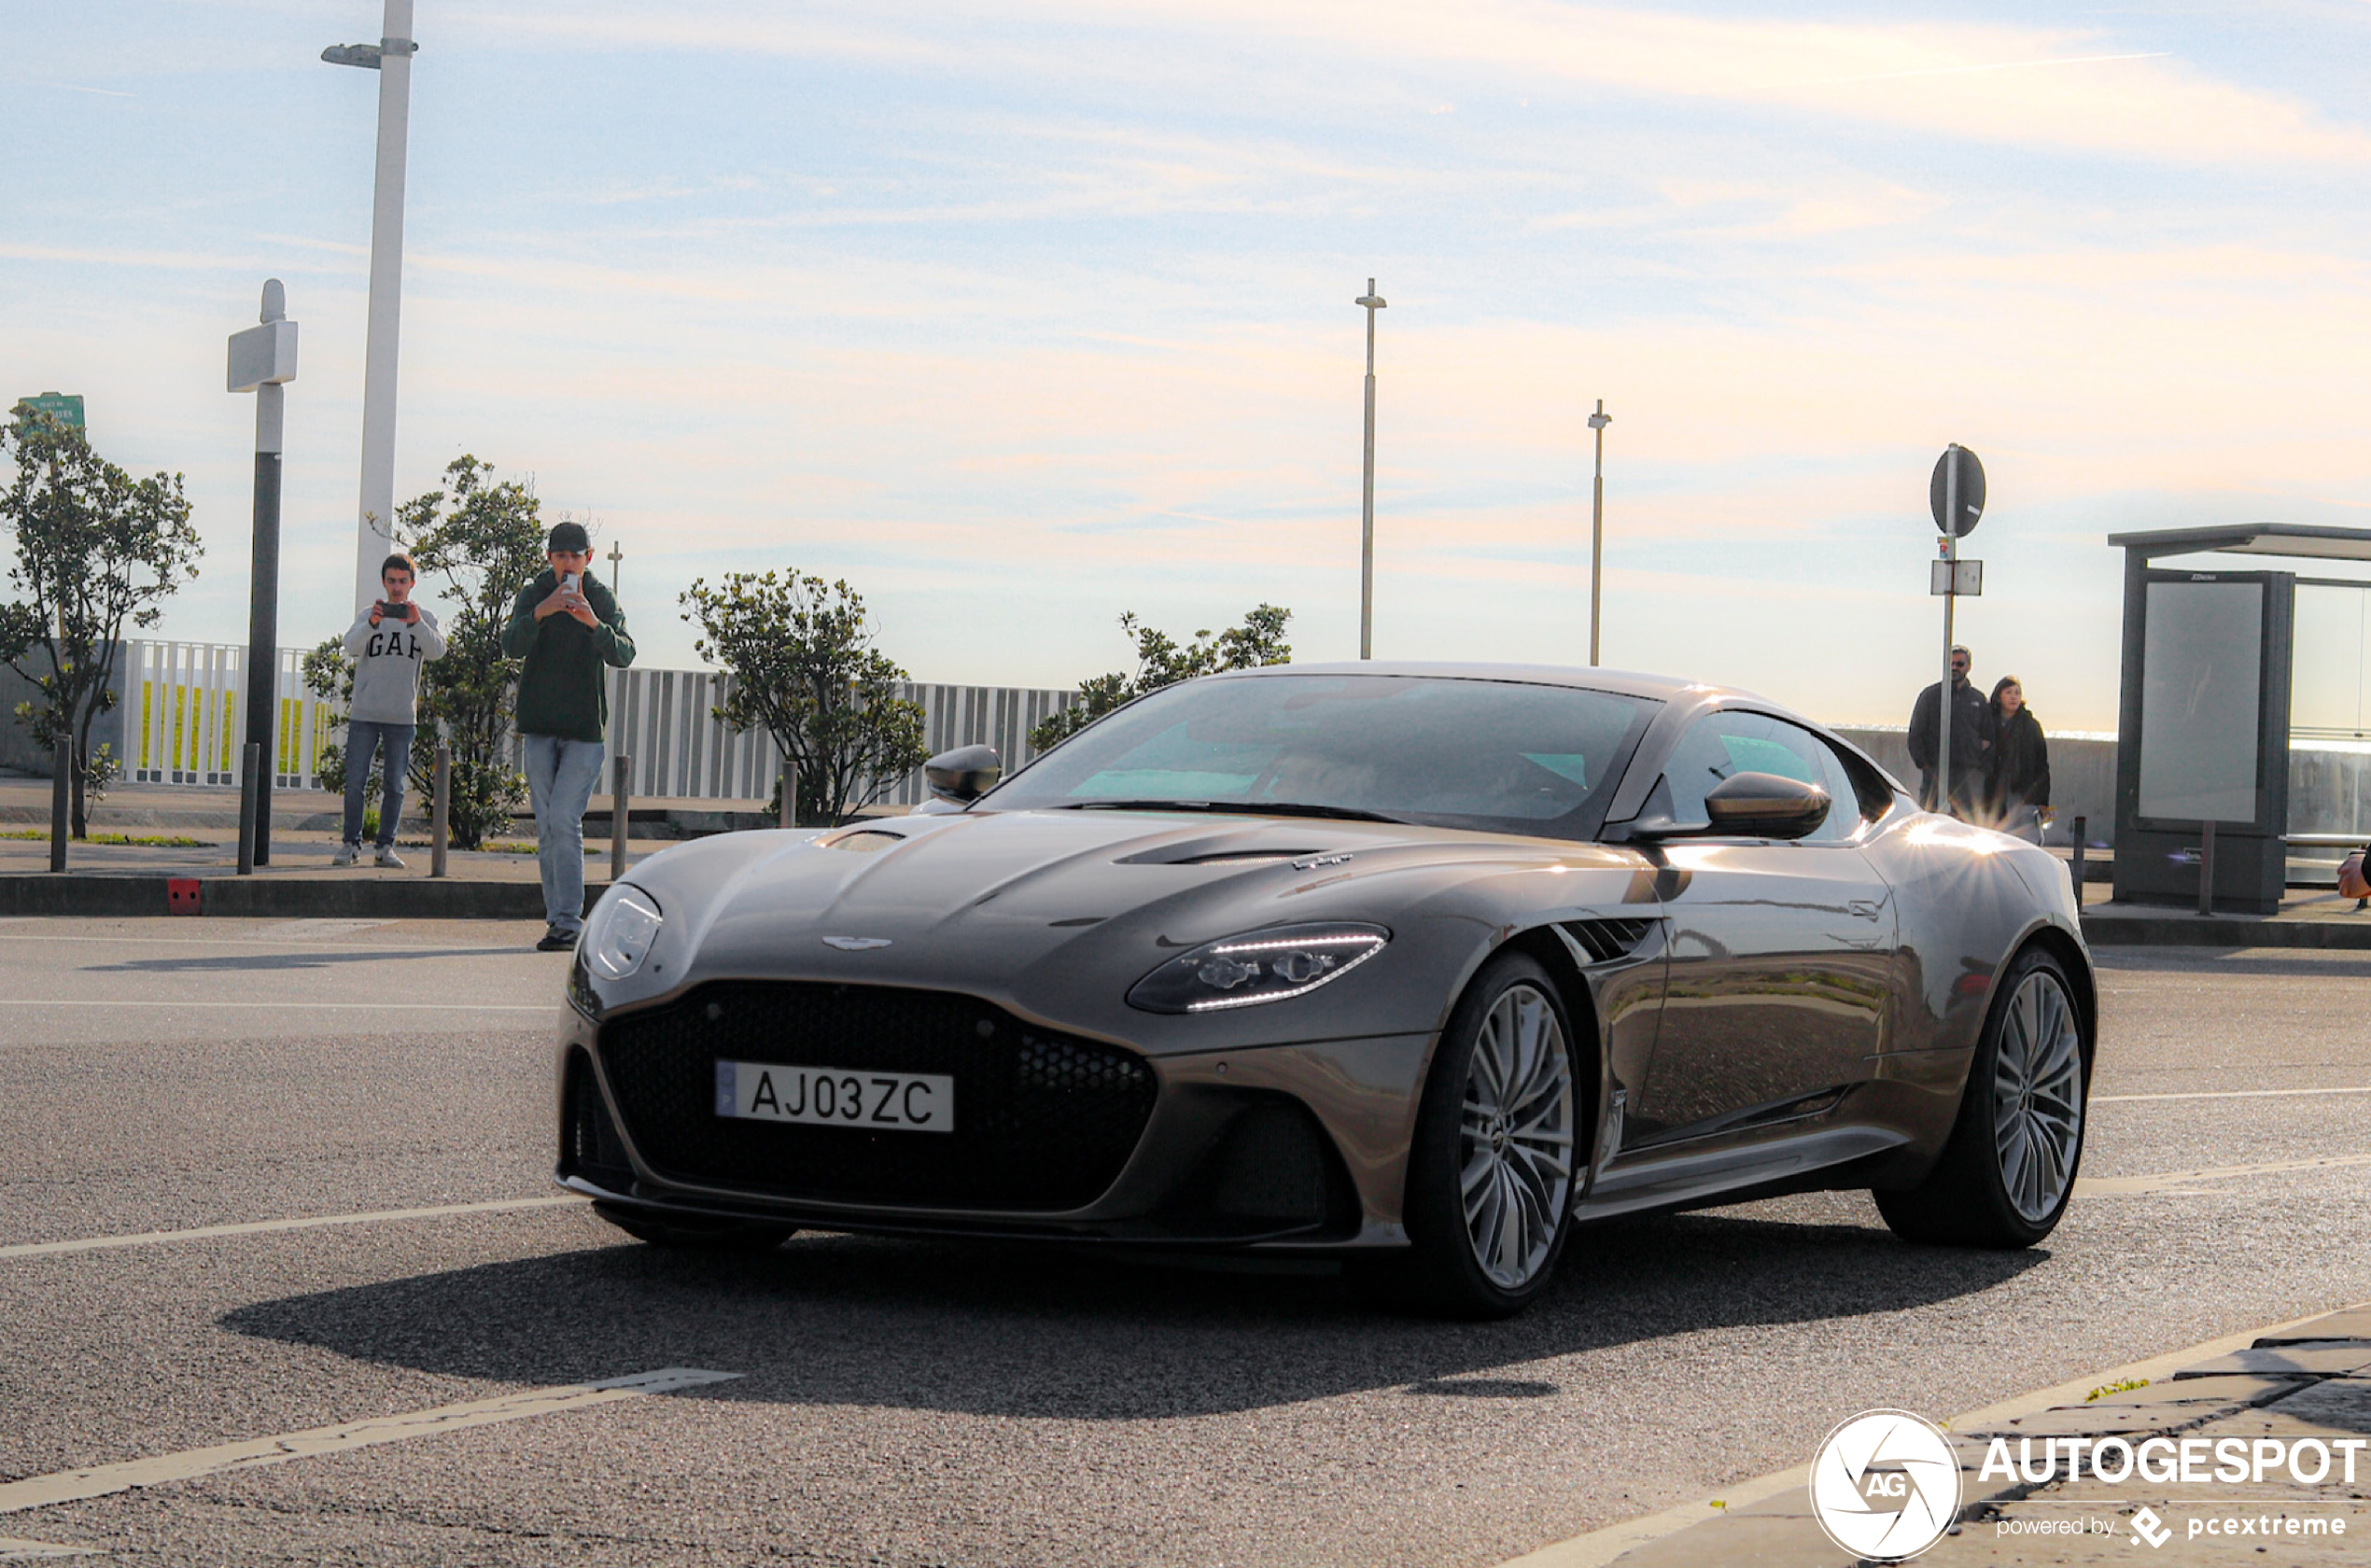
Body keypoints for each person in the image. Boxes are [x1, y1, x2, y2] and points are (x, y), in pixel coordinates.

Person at [502, 521, 636, 951]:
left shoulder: (599, 596)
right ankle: (558, 923)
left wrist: (592, 623)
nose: (567, 564)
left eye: (575, 556)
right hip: (539, 726)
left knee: (564, 819)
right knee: (547, 826)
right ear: (550, 559)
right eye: (560, 556)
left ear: (588, 557)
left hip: (583, 730)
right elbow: (510, 644)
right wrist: (542, 612)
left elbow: (625, 653)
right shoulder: (535, 591)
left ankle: (568, 922)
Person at [334, 553, 447, 867]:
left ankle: (385, 847)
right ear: (384, 582)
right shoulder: (369, 614)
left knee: (394, 785)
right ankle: (350, 844)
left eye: (403, 581)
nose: (397, 588)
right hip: (365, 713)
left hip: (401, 714)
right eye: (392, 581)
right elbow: (351, 646)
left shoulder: (423, 617)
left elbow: (437, 651)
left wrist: (417, 624)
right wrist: (372, 623)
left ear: (412, 583)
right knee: (355, 781)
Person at [1906, 644, 1991, 817]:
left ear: (1968, 667)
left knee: (1964, 827)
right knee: (1931, 824)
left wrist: (1978, 764)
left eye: (1959, 664)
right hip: (1935, 775)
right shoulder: (1930, 696)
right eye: (1950, 663)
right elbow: (1916, 734)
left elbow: (1988, 736)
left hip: (1966, 778)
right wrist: (1925, 764)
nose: (1954, 668)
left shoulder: (1978, 699)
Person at [1984, 675, 2052, 844]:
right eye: (2008, 692)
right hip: (1994, 790)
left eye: (2017, 693)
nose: (2014, 697)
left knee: (2024, 839)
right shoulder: (1989, 723)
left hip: (2022, 790)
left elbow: (2041, 764)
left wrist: (2043, 801)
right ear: (1999, 696)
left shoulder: (2030, 725)